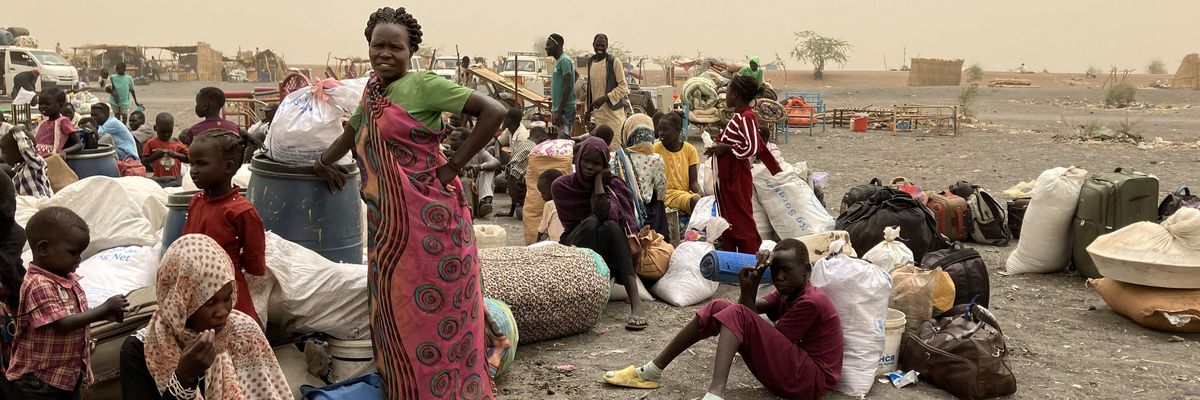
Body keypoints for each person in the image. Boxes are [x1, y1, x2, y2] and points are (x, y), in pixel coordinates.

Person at [310, 6, 509, 398]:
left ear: (410, 50)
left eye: (394, 48)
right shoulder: (373, 90)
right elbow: (353, 132)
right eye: (377, 45)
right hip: (388, 227)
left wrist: (452, 166)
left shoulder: (424, 86)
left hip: (432, 223)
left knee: (443, 311)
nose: (384, 54)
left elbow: (494, 111)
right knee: (397, 312)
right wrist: (321, 162)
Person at [603, 239, 843, 400]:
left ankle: (716, 393)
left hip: (810, 381)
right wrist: (751, 285)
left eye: (786, 270)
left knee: (734, 313)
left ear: (806, 271)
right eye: (775, 269)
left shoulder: (811, 301)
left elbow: (761, 336)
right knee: (719, 306)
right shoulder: (788, 291)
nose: (779, 276)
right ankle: (652, 371)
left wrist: (746, 299)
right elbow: (748, 317)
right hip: (795, 373)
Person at [119, 234, 291, 399]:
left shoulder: (243, 332)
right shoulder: (141, 349)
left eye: (227, 298)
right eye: (210, 302)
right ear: (182, 302)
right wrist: (183, 378)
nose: (223, 312)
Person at [6, 207, 129, 399]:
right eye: (73, 253)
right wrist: (103, 308)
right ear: (43, 249)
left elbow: (77, 317)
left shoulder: (67, 279)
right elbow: (63, 323)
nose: (79, 260)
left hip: (64, 376)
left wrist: (106, 314)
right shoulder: (39, 284)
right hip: (40, 382)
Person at [553, 137, 646, 330]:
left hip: (607, 247)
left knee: (610, 226)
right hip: (576, 244)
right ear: (577, 159)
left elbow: (608, 214)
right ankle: (581, 298)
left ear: (604, 165)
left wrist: (599, 183)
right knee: (594, 222)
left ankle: (636, 303)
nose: (589, 166)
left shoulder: (614, 185)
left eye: (596, 163)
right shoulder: (562, 186)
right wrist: (598, 192)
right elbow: (576, 221)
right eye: (585, 160)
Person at [182, 130, 265, 325]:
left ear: (228, 167)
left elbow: (255, 262)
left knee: (237, 336)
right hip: (195, 287)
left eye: (201, 164)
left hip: (226, 294)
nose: (193, 170)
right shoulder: (196, 201)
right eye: (192, 163)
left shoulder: (241, 211)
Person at [705, 76, 781, 253]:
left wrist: (727, 149)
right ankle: (732, 260)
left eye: (729, 92)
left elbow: (752, 146)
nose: (726, 96)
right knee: (729, 218)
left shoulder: (746, 117)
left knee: (741, 219)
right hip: (728, 176)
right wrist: (718, 149)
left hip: (736, 176)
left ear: (737, 95)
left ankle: (751, 260)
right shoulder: (738, 116)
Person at [615, 114, 668, 237]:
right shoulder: (656, 159)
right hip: (648, 215)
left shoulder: (617, 158)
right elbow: (661, 192)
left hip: (622, 212)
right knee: (659, 202)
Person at [585, 34, 629, 150]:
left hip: (613, 115)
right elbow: (590, 89)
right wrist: (587, 111)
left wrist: (604, 98)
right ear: (593, 45)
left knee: (614, 148)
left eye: (602, 45)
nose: (600, 47)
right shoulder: (591, 63)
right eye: (597, 45)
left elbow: (623, 87)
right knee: (600, 148)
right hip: (599, 116)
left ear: (607, 46)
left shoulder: (614, 62)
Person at [653, 111, 702, 214]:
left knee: (703, 202)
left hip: (684, 194)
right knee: (696, 202)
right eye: (659, 129)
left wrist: (700, 193)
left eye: (665, 129)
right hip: (666, 194)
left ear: (677, 130)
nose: (661, 133)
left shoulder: (690, 150)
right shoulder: (656, 148)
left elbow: (693, 183)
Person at [498, 122, 547, 219]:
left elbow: (512, 172)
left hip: (515, 189)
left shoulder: (522, 144)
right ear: (541, 139)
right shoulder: (535, 149)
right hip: (521, 192)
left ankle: (519, 207)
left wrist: (511, 211)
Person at [449, 128, 501, 218]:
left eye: (455, 140)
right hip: (458, 189)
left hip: (477, 190)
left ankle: (484, 202)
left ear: (465, 141)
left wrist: (478, 167)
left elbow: (495, 162)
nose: (451, 143)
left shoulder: (477, 150)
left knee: (488, 170)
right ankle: (471, 209)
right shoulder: (448, 152)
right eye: (451, 139)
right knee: (464, 181)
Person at [1, 126, 53, 198]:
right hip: (28, 206)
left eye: (4, 153)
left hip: (40, 205)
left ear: (19, 154)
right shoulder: (17, 174)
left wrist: (18, 133)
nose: (2, 156)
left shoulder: (34, 165)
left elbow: (27, 149)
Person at [33, 87, 83, 156]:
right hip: (38, 158)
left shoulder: (63, 121)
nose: (42, 107)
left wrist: (64, 151)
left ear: (60, 104)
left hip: (52, 160)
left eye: (47, 104)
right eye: (40, 104)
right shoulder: (43, 123)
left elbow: (79, 144)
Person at [545, 33, 577, 138]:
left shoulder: (564, 60)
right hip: (558, 109)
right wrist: (555, 96)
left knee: (563, 142)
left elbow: (567, 87)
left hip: (564, 111)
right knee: (557, 141)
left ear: (558, 45)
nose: (546, 48)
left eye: (548, 45)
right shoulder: (559, 61)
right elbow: (575, 75)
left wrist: (559, 111)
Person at [141, 113, 188, 178]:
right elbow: (144, 161)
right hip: (159, 178)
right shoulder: (150, 143)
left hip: (175, 179)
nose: (166, 134)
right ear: (155, 128)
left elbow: (187, 159)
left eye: (169, 131)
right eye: (162, 132)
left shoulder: (176, 143)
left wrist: (175, 154)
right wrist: (156, 155)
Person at [536, 168, 565, 242]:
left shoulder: (549, 204)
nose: (542, 196)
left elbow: (542, 228)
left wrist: (536, 241)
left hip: (554, 242)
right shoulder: (568, 201)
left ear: (553, 190)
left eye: (543, 193)